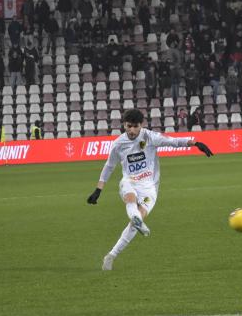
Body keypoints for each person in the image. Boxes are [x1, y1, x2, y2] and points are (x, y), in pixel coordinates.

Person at [87, 109, 214, 271]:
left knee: (134, 224)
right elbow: (109, 166)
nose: (132, 130)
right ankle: (136, 218)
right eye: (129, 126)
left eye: (135, 126)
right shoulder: (118, 144)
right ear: (124, 125)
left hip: (149, 188)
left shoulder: (149, 137)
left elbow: (173, 142)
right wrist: (98, 190)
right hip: (130, 181)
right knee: (130, 197)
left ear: (142, 125)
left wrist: (195, 143)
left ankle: (111, 255)